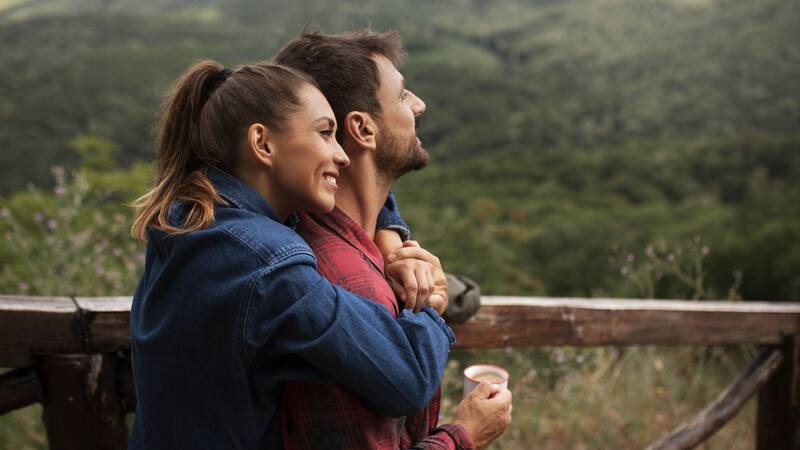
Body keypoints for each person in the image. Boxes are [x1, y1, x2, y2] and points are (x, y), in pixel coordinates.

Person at [128, 60, 457, 449]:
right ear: (263, 144)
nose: (343, 156)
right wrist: (431, 306)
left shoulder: (189, 220)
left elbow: (374, 197)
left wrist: (390, 234)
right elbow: (408, 375)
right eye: (325, 133)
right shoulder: (273, 271)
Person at [275, 30, 513, 450]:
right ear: (363, 130)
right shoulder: (350, 286)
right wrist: (466, 434)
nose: (419, 105)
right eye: (403, 96)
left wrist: (390, 235)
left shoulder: (354, 243)